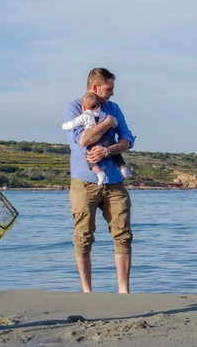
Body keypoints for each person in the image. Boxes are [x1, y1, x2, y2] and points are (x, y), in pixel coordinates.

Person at [63, 67, 136, 293]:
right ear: (95, 87)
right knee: (83, 236)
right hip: (84, 182)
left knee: (123, 233)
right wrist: (107, 123)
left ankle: (123, 291)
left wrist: (109, 150)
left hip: (114, 180)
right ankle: (87, 292)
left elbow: (128, 139)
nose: (112, 93)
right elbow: (83, 139)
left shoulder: (114, 108)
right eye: (109, 88)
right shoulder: (75, 107)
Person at [62, 92, 133, 185]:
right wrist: (111, 122)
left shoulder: (83, 117)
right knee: (115, 153)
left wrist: (64, 125)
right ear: (99, 106)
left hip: (94, 144)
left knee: (90, 158)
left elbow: (72, 124)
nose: (112, 93)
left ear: (83, 108)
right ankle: (123, 168)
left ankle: (99, 173)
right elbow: (114, 122)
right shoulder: (103, 114)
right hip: (107, 139)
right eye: (109, 89)